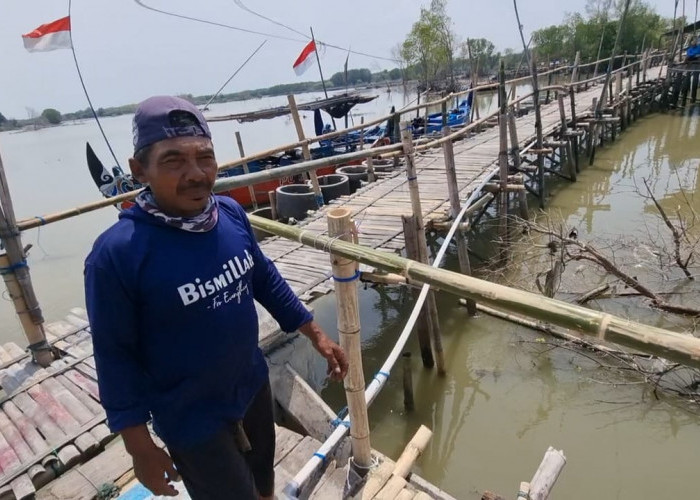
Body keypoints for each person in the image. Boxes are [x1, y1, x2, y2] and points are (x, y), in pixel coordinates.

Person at [84, 95, 348, 500]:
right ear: (140, 170)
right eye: (173, 160)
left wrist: (315, 333)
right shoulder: (116, 255)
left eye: (204, 157)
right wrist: (139, 448)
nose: (195, 174)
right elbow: (114, 358)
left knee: (263, 485)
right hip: (191, 419)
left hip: (252, 386)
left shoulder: (228, 213)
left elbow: (264, 278)